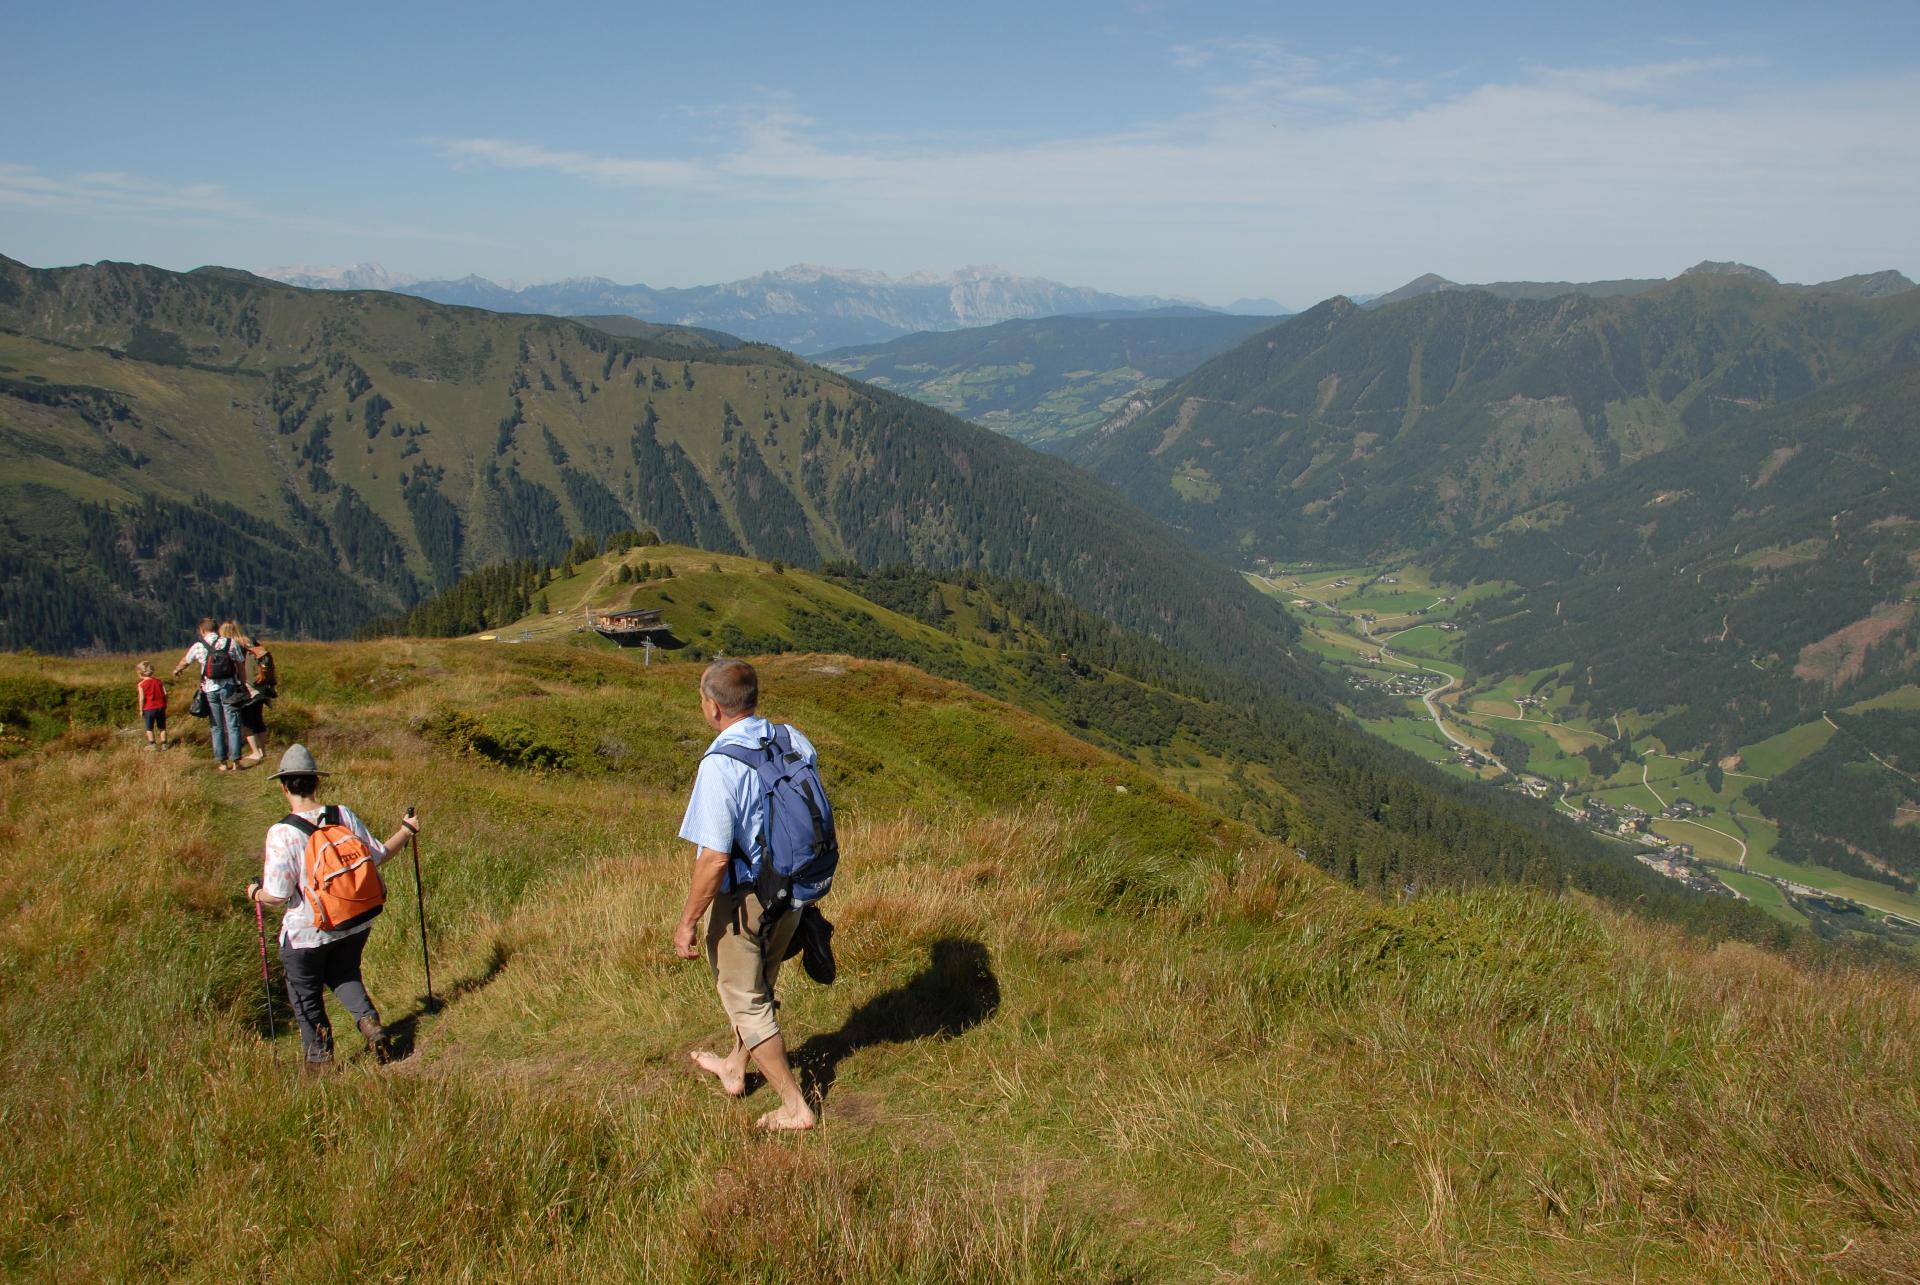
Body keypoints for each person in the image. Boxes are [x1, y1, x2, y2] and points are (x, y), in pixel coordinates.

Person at [674, 658, 819, 1131]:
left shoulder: (721, 764)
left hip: (747, 898)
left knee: (746, 998)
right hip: (793, 888)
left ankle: (795, 1107)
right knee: (759, 983)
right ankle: (736, 1067)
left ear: (713, 708)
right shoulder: (791, 738)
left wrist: (687, 922)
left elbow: (715, 858)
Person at [244, 744, 420, 1070]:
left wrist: (256, 893)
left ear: (284, 787)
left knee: (305, 994)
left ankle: (320, 1062)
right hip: (353, 922)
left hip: (306, 934)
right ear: (316, 782)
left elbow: (278, 895)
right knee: (344, 973)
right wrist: (406, 831)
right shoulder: (343, 815)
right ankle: (370, 1024)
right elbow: (378, 856)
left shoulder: (282, 833)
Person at [172, 617, 245, 771]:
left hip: (210, 689)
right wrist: (242, 684)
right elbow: (240, 664)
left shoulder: (199, 646)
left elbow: (186, 660)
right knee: (233, 725)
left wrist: (177, 669)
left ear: (202, 630)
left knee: (216, 726)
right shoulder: (230, 643)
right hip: (229, 687)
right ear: (217, 629)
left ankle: (222, 762)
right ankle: (236, 762)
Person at [220, 621, 271, 768]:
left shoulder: (231, 645)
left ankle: (255, 752)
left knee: (246, 722)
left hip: (245, 687)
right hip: (260, 685)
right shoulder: (251, 642)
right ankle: (263, 751)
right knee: (258, 719)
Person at [135, 661, 169, 750]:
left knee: (149, 728)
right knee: (162, 727)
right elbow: (165, 693)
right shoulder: (159, 681)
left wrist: (141, 710)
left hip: (148, 708)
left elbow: (142, 698)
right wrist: (165, 703)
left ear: (140, 673)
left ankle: (152, 744)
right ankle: (164, 744)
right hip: (160, 707)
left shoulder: (141, 684)